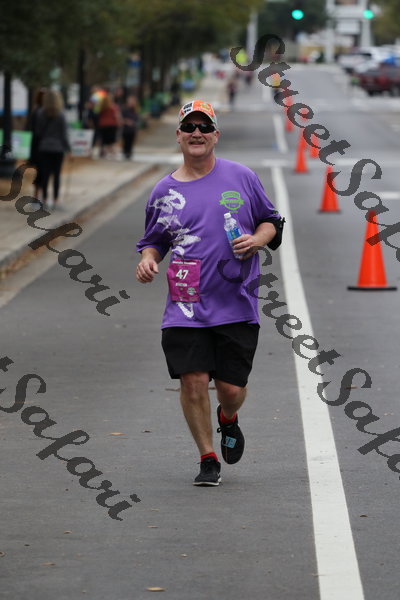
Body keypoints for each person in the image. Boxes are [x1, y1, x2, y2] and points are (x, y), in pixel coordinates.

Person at [136, 100, 283, 487]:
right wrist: (148, 260)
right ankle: (207, 457)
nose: (196, 133)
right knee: (193, 380)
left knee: (231, 389)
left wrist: (257, 240)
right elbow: (153, 241)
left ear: (216, 135)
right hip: (185, 305)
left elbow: (271, 221)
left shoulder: (241, 177)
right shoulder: (164, 191)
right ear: (179, 136)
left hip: (236, 302)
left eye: (204, 127)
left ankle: (228, 417)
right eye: (189, 127)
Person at [35, 89, 70, 210]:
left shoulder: (40, 113)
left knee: (45, 174)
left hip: (44, 147)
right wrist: (68, 149)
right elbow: (64, 134)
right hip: (58, 148)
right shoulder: (61, 115)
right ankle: (55, 200)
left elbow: (38, 132)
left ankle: (44, 199)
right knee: (56, 175)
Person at [27, 88, 46, 203]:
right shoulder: (40, 112)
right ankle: (38, 196)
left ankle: (38, 195)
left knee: (41, 172)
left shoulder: (36, 111)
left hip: (38, 145)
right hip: (40, 146)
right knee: (42, 172)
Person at [98, 92, 121, 158]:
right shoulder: (114, 107)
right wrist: (119, 122)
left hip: (102, 124)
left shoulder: (101, 106)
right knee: (112, 140)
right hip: (112, 124)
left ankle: (103, 152)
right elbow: (117, 115)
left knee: (103, 139)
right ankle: (112, 152)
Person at [121, 95, 139, 160]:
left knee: (131, 141)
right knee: (126, 140)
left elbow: (137, 118)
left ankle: (129, 152)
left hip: (132, 128)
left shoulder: (135, 110)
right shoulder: (124, 109)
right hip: (126, 128)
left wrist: (133, 123)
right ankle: (125, 152)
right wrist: (127, 122)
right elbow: (121, 118)